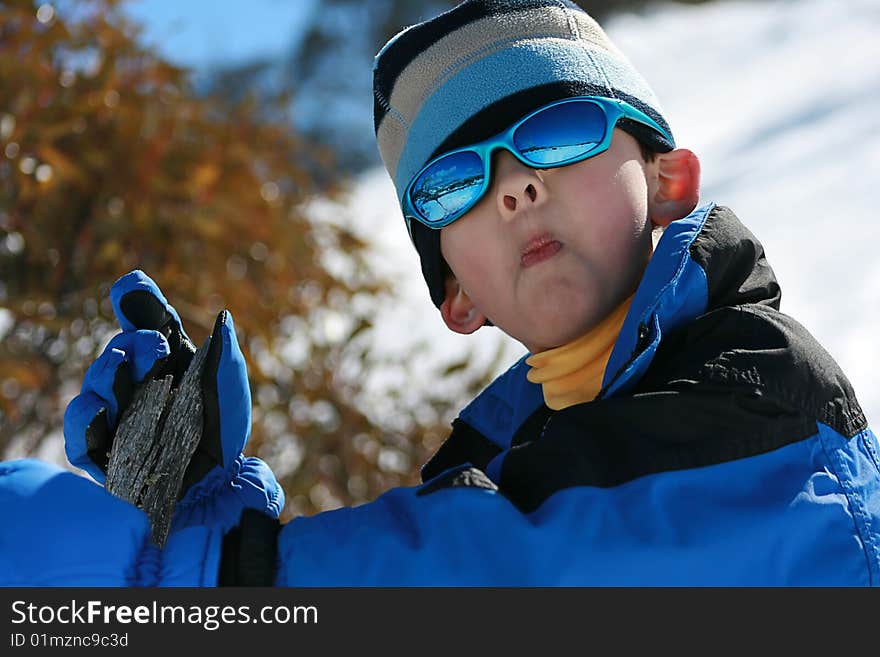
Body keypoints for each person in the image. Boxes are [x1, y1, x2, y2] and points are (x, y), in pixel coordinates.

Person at [2, 0, 879, 586]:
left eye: (559, 128)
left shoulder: (760, 390)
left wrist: (217, 574)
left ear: (670, 178)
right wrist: (204, 514)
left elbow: (522, 574)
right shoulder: (519, 463)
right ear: (458, 296)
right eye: (455, 183)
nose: (514, 186)